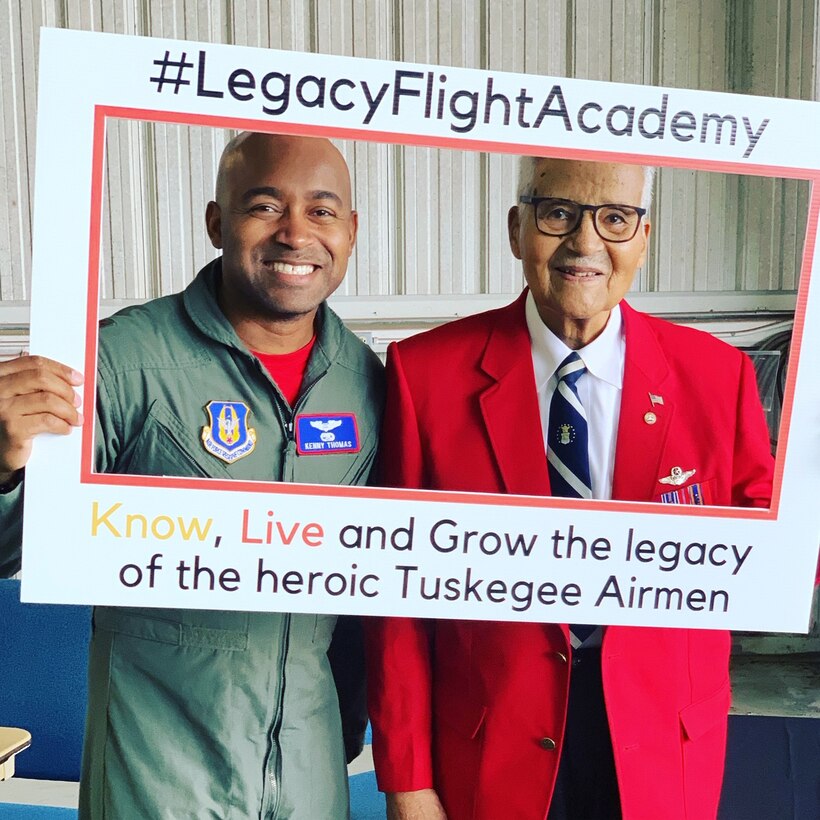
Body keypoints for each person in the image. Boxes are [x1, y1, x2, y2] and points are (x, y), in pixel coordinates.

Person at [365, 158, 773, 820]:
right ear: (516, 228)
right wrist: (407, 782)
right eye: (558, 213)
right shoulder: (426, 375)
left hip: (662, 747)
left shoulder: (716, 376)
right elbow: (395, 603)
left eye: (615, 219)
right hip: (490, 748)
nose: (586, 244)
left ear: (645, 237)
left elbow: (774, 557)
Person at [0, 132, 384, 819]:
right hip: (156, 778)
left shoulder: (370, 385)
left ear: (351, 232)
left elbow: (369, 595)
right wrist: (2, 466)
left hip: (310, 774)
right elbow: (12, 550)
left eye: (322, 211)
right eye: (264, 206)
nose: (296, 233)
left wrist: (346, 732)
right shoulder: (118, 362)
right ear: (216, 221)